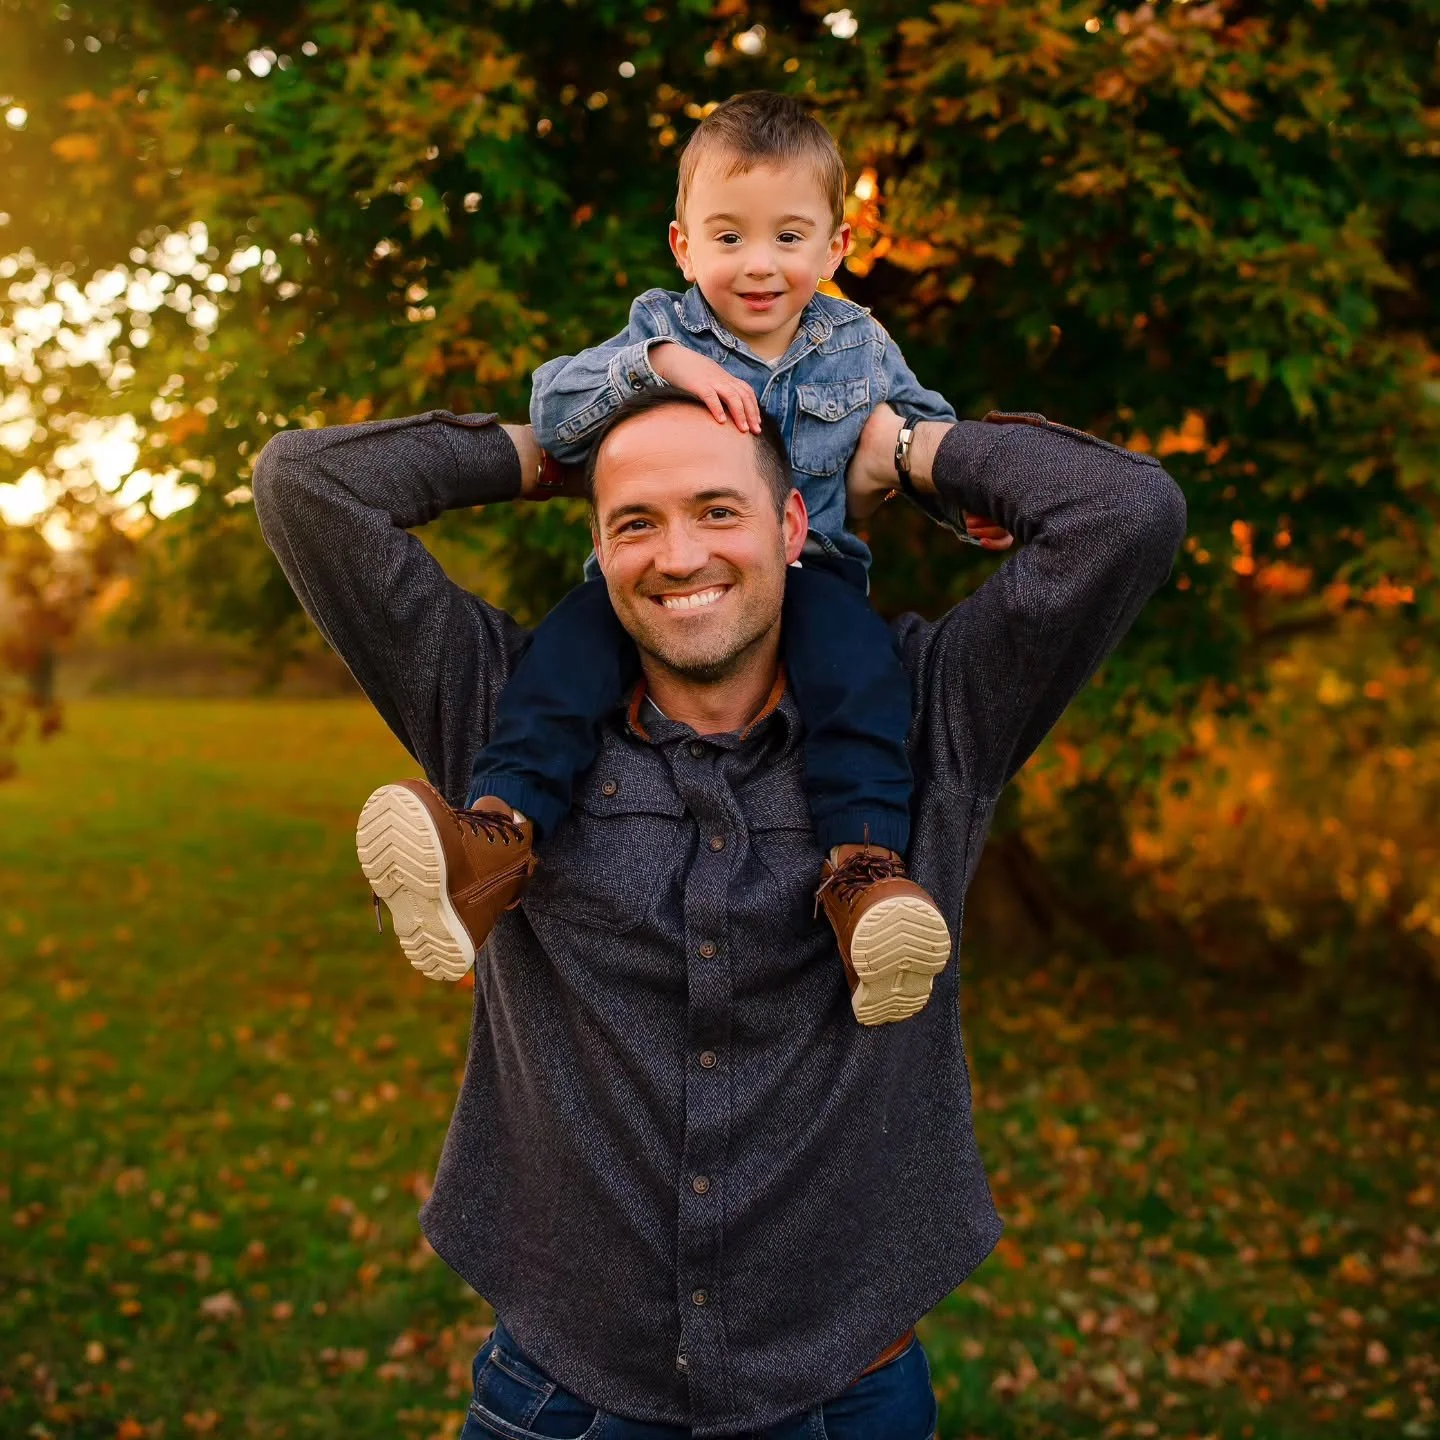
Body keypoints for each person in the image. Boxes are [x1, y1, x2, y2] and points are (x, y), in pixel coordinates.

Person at [253, 380, 1186, 1437]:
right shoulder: (500, 715)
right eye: (635, 523)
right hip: (563, 1396)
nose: (679, 555)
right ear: (597, 550)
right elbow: (307, 484)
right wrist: (547, 448)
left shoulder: (935, 714)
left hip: (848, 1399)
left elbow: (1128, 512)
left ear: (793, 526)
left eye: (716, 510)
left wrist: (899, 443)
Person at [355, 91, 1012, 1027]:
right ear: (683, 245)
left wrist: (962, 507)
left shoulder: (859, 345)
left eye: (790, 238)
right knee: (563, 666)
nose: (758, 264)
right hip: (648, 581)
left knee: (858, 677)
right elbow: (553, 403)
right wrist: (660, 366)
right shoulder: (660, 326)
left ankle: (864, 876)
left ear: (834, 249)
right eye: (728, 237)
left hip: (808, 567)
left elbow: (921, 431)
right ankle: (492, 842)